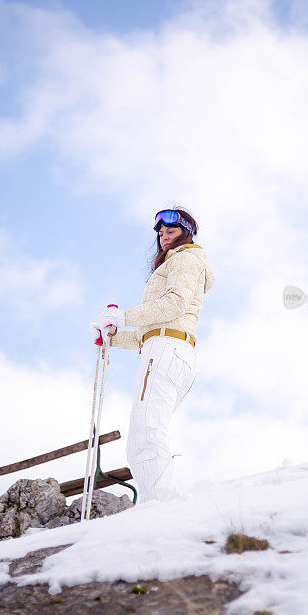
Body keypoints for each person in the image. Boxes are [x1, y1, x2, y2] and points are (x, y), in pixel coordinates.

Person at [89, 207, 215, 504]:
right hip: (170, 348)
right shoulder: (180, 262)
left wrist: (124, 316)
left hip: (166, 350)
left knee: (146, 431)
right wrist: (111, 338)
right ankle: (157, 501)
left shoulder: (186, 258)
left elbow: (173, 305)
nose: (164, 238)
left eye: (170, 231)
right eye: (160, 233)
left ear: (185, 233)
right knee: (148, 427)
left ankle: (159, 505)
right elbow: (151, 332)